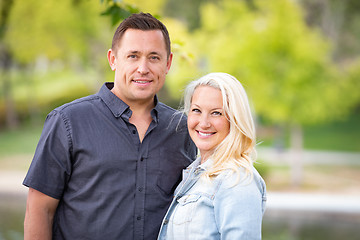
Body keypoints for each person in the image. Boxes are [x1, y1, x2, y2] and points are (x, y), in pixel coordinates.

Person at [23, 13, 196, 240]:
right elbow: (40, 210)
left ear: (168, 63)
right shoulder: (68, 121)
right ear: (113, 59)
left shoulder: (183, 129)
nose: (143, 68)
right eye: (133, 56)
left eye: (154, 57)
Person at [157, 72, 267, 240]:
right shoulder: (194, 175)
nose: (204, 123)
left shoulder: (237, 180)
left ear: (235, 119)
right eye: (196, 110)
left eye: (216, 113)